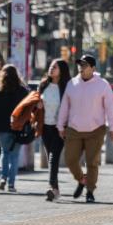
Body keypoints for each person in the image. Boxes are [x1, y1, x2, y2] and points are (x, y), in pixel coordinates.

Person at [57, 54, 113, 203]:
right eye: (79, 65)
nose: (81, 68)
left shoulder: (102, 85)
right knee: (70, 160)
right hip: (74, 129)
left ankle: (90, 191)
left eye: (84, 65)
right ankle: (81, 180)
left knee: (92, 162)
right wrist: (60, 125)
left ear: (93, 68)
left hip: (96, 129)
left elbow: (110, 107)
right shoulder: (72, 84)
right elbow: (65, 106)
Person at [0, 64, 29, 193]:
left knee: (5, 153)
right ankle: (11, 184)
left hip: (1, 128)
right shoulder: (22, 91)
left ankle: (2, 179)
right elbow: (27, 110)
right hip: (18, 127)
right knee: (14, 156)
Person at [38, 59, 71, 202]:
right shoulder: (43, 85)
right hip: (45, 126)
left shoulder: (66, 87)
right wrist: (37, 105)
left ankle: (52, 187)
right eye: (50, 66)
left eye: (55, 67)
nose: (51, 69)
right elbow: (36, 103)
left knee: (53, 157)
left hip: (60, 128)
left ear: (61, 70)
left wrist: (64, 126)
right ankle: (56, 190)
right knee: (51, 156)